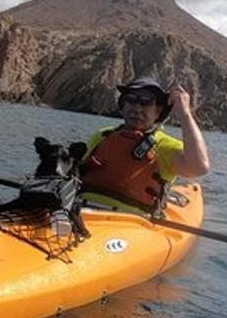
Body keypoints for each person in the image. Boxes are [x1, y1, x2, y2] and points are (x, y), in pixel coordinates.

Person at [79, 76, 211, 215]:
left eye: (146, 102)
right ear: (122, 107)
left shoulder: (164, 146)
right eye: (131, 100)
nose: (137, 108)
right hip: (86, 214)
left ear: (158, 111)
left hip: (135, 225)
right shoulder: (102, 136)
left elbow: (199, 167)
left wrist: (185, 115)